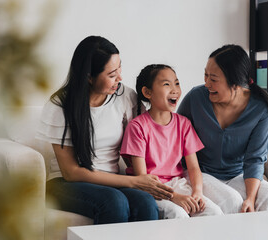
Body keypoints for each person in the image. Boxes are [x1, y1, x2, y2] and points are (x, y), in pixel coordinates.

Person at [36, 36, 174, 224]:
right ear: (89, 77)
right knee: (114, 202)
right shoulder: (61, 105)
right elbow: (71, 172)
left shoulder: (124, 96)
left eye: (119, 69)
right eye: (111, 74)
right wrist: (133, 182)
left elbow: (137, 146)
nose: (120, 78)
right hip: (66, 183)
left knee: (146, 203)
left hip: (111, 180)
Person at [177, 45, 268, 213]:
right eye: (205, 75)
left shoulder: (261, 110)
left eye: (213, 79)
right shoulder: (195, 98)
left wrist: (250, 198)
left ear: (236, 84)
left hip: (236, 175)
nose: (206, 83)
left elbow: (255, 159)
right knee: (232, 200)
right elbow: (175, 136)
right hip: (199, 173)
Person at [120, 64, 223, 219]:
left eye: (177, 83)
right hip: (149, 189)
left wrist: (197, 192)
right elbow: (142, 178)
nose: (175, 89)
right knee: (178, 214)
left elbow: (193, 167)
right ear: (147, 92)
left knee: (213, 212)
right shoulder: (137, 127)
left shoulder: (184, 124)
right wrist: (174, 197)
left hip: (177, 183)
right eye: (166, 84)